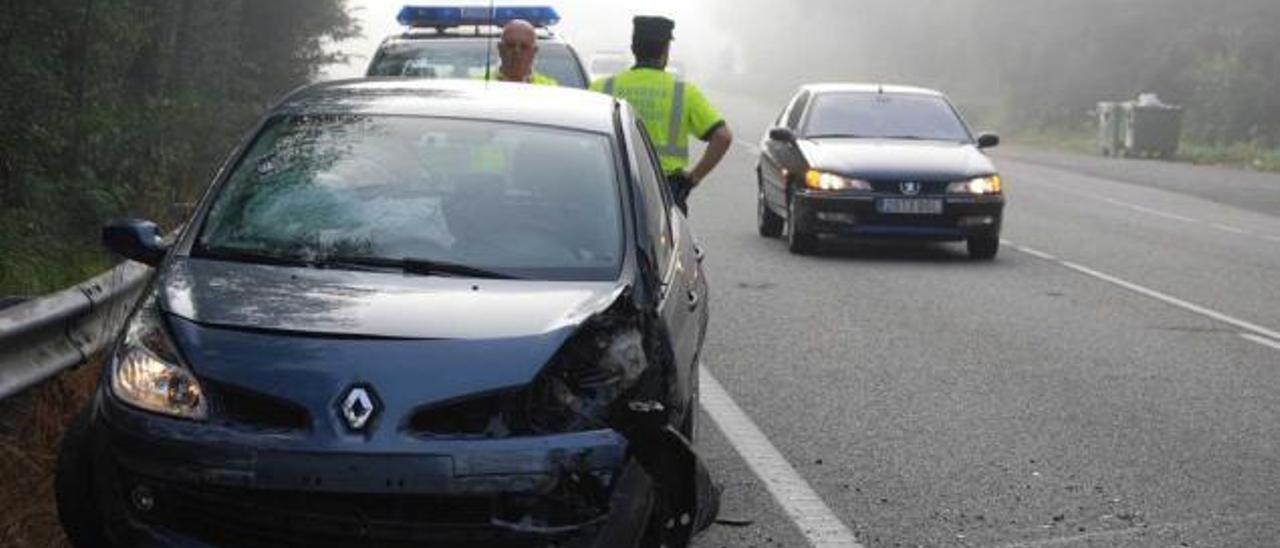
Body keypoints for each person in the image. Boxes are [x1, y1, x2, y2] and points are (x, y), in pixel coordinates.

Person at [591, 16, 732, 212]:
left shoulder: (602, 87)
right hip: (665, 190)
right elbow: (723, 137)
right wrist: (693, 179)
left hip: (611, 186)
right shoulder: (683, 92)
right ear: (666, 50)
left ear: (633, 48)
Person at [486, 20, 559, 86]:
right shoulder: (480, 85)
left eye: (524, 47)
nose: (517, 51)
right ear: (500, 48)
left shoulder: (549, 89)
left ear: (534, 51)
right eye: (511, 45)